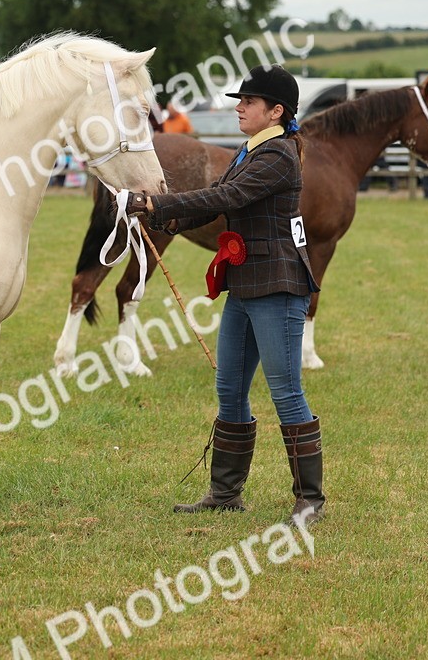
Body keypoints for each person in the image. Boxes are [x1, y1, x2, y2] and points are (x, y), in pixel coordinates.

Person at [126, 64, 325, 526]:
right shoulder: (250, 150)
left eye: (249, 102)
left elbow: (225, 199)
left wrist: (159, 204)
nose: (239, 107)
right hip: (246, 284)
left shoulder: (277, 157)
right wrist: (163, 219)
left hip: (277, 286)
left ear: (276, 112)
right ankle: (225, 492)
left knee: (286, 392)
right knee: (229, 387)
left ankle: (310, 499)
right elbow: (216, 194)